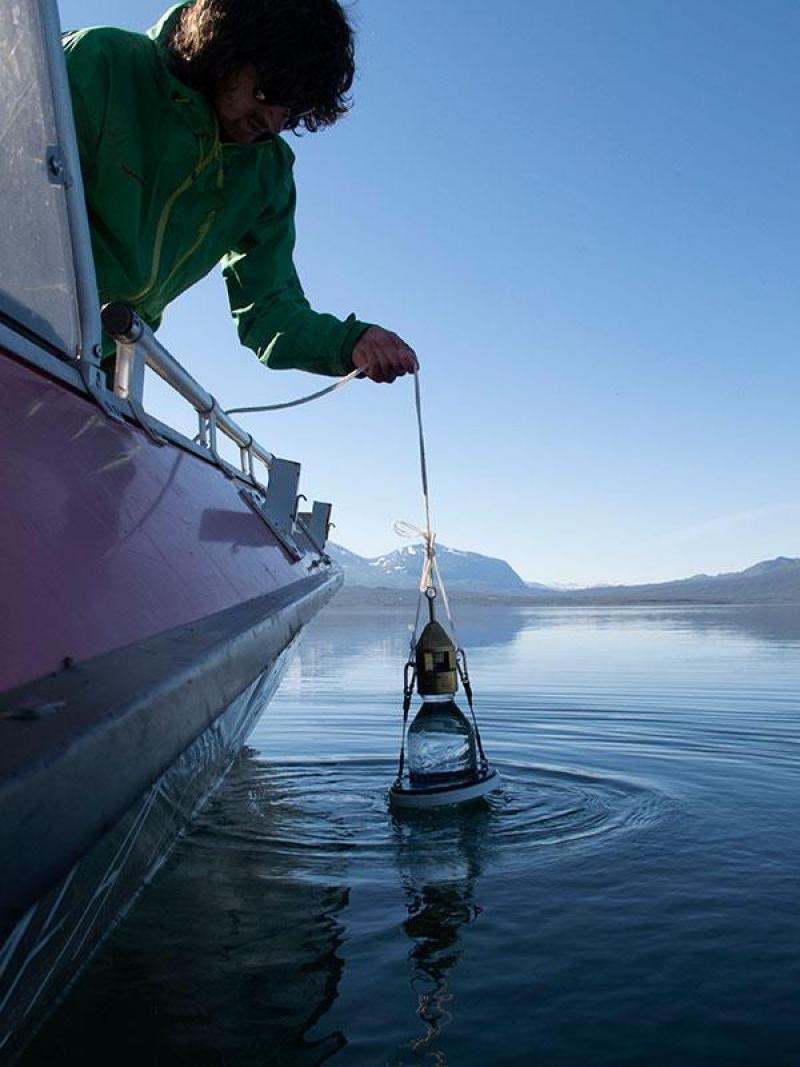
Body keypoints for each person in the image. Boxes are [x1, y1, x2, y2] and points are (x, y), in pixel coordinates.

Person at [63, 0, 416, 384]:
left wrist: (349, 341)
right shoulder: (100, 64)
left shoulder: (267, 174)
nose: (271, 121)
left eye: (290, 108)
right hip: (20, 321)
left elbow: (268, 312)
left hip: (105, 361)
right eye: (266, 92)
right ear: (222, 47)